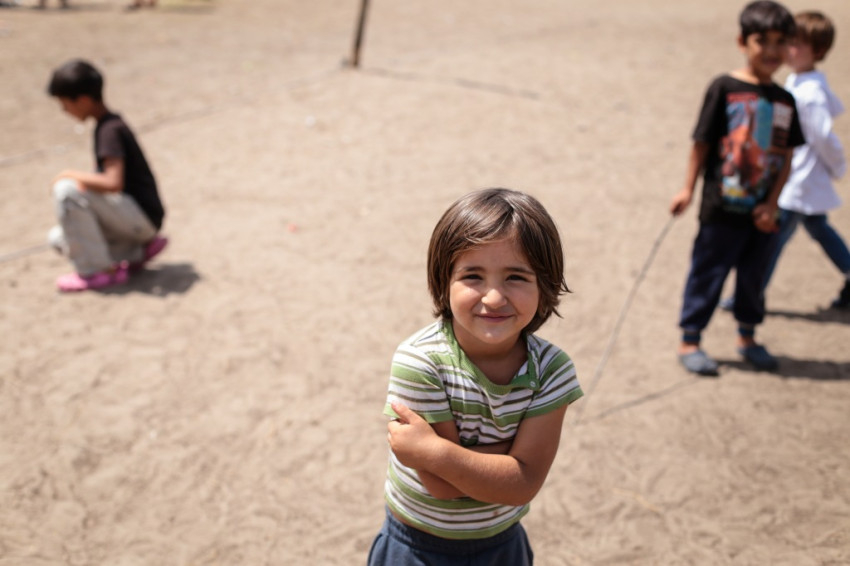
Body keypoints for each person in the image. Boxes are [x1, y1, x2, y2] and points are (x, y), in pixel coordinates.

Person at [368, 188, 583, 566]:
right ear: (443, 281)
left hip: (502, 545)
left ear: (544, 284)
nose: (494, 297)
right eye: (473, 276)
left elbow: (523, 485)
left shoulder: (552, 371)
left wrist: (434, 451)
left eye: (515, 276)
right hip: (415, 548)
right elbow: (441, 486)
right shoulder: (420, 362)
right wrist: (510, 460)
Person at [669, 1, 805, 376]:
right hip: (721, 208)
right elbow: (701, 143)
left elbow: (786, 156)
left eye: (781, 42)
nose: (772, 50)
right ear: (742, 42)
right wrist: (687, 189)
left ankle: (747, 337)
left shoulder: (785, 100)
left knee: (753, 277)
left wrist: (772, 203)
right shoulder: (724, 88)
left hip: (763, 214)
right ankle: (690, 339)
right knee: (708, 272)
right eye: (763, 41)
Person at [721, 11, 849, 312]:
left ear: (817, 51)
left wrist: (838, 166)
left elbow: (822, 137)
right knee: (819, 228)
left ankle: (748, 296)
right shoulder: (797, 82)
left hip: (799, 181)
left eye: (796, 44)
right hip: (800, 179)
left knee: (772, 240)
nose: (787, 50)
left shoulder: (810, 94)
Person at [46, 59, 167, 292]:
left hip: (140, 219)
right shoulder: (110, 125)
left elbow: (113, 182)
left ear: (83, 100)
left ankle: (96, 271)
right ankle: (136, 252)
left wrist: (70, 174)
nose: (64, 111)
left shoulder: (109, 131)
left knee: (66, 190)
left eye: (65, 104)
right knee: (58, 238)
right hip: (137, 218)